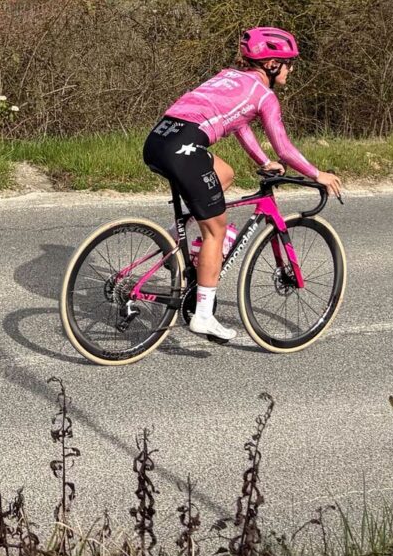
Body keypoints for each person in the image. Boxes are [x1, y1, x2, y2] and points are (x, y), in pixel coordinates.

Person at [143, 26, 343, 343]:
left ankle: (173, 237)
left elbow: (240, 125)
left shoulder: (231, 77)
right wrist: (317, 174)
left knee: (224, 174)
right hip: (184, 149)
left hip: (159, 140)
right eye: (289, 63)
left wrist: (262, 161)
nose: (291, 70)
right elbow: (285, 149)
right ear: (272, 64)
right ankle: (204, 316)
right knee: (216, 231)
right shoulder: (264, 95)